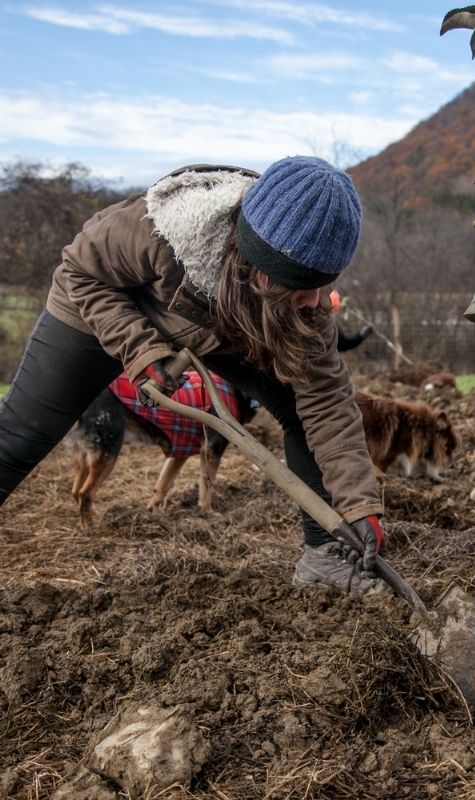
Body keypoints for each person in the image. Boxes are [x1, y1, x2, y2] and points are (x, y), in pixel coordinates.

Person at [0, 157, 387, 596]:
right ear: (258, 267)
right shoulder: (160, 229)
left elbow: (327, 403)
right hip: (98, 308)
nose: (315, 300)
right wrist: (140, 348)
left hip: (225, 323)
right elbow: (80, 272)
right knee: (20, 437)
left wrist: (359, 503)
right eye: (302, 287)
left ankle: (323, 561)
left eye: (322, 284)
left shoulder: (304, 307)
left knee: (301, 409)